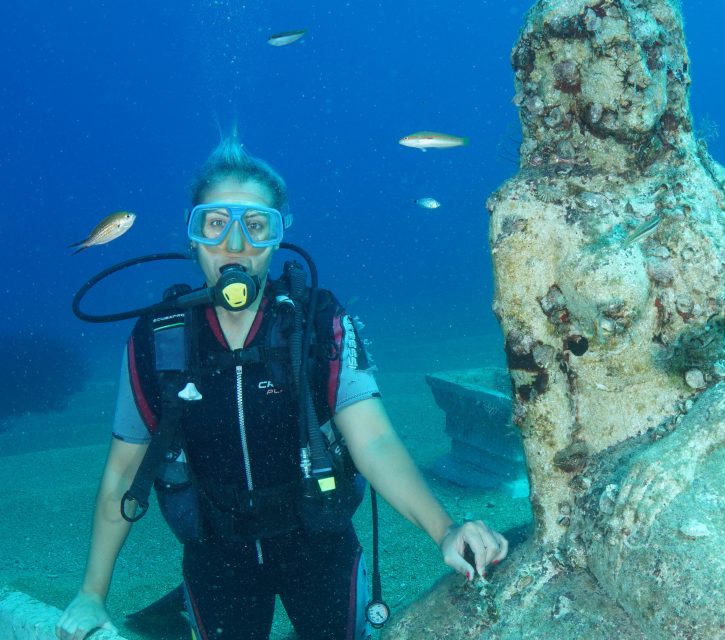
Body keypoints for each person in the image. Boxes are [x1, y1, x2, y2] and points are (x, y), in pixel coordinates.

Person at [58, 134, 508, 640]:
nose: (234, 244)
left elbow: (374, 441)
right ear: (194, 238)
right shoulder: (156, 339)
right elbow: (121, 475)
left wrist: (445, 530)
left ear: (276, 237)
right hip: (215, 557)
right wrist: (92, 594)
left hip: (320, 547)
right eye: (215, 223)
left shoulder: (319, 324)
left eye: (255, 225)